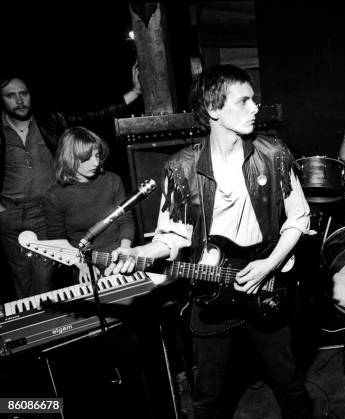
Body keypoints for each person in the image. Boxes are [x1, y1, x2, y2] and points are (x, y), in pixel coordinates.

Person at [106, 64, 313, 418]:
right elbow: (172, 236)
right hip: (212, 290)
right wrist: (140, 251)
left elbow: (300, 217)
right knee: (207, 397)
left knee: (290, 383)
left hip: (266, 288)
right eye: (243, 101)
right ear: (214, 109)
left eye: (254, 100)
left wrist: (268, 264)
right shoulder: (181, 168)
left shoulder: (274, 154)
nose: (254, 108)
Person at [0, 64, 141, 299]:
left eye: (23, 93)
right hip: (9, 214)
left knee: (45, 281)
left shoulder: (50, 121)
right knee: (22, 282)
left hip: (44, 210)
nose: (19, 100)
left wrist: (135, 93)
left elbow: (95, 114)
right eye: (11, 95)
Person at [43, 126, 135, 283]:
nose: (96, 162)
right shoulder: (55, 196)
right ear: (70, 158)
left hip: (119, 258)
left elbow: (126, 220)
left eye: (97, 155)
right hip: (82, 263)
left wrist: (125, 250)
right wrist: (82, 265)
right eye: (87, 158)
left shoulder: (112, 181)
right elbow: (58, 241)